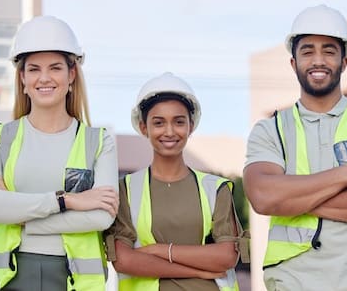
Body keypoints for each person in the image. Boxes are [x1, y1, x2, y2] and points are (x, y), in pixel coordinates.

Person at [243, 4, 347, 291]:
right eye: (307, 51)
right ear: (293, 63)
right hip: (294, 280)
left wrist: (293, 201)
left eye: (329, 51)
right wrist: (343, 176)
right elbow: (262, 198)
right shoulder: (269, 130)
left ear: (344, 62)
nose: (318, 61)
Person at [0, 15, 120, 291]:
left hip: (72, 279)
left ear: (71, 75)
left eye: (55, 68)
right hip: (7, 278)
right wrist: (68, 201)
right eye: (34, 69)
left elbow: (102, 215)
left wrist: (17, 211)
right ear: (23, 78)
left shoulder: (99, 142)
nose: (44, 78)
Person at [104, 72, 248, 291]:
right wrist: (197, 270)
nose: (169, 131)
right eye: (159, 122)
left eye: (179, 122)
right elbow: (124, 261)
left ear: (191, 125)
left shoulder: (215, 188)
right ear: (144, 128)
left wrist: (160, 250)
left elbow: (226, 256)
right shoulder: (126, 190)